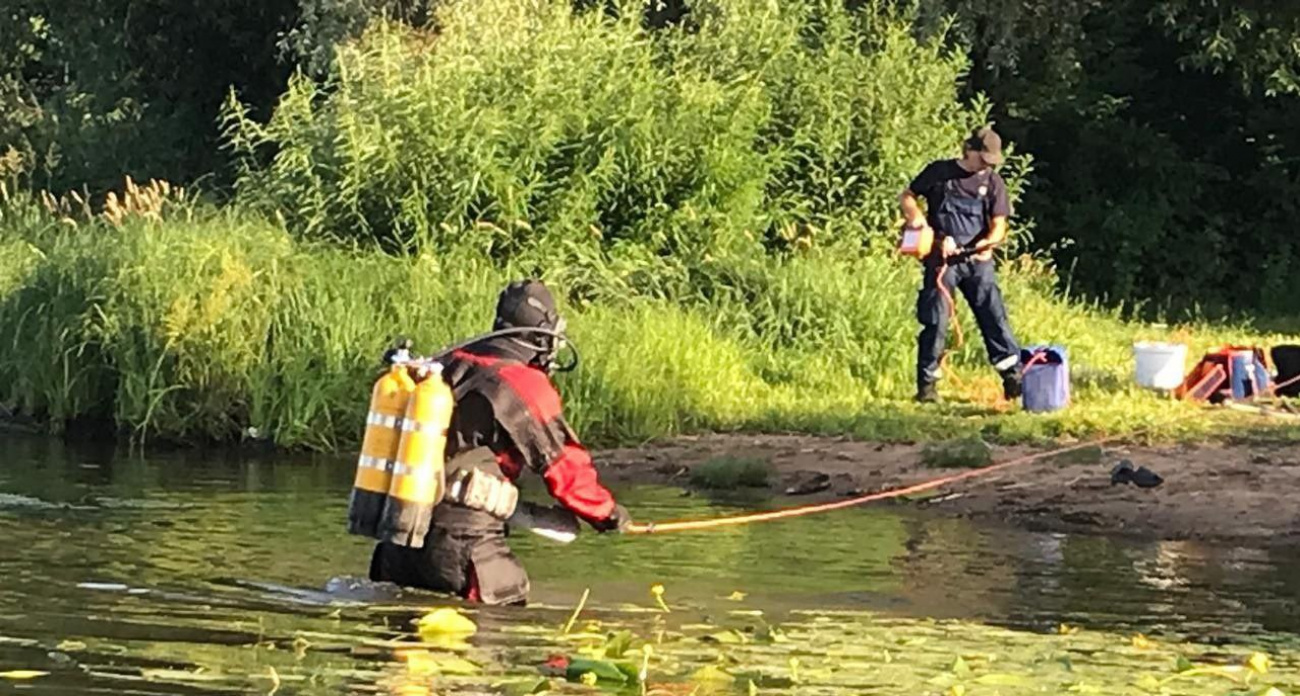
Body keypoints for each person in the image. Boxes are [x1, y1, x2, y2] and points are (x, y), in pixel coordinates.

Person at [368, 280, 631, 606]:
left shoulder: (445, 364)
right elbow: (564, 468)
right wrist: (608, 514)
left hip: (398, 540)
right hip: (463, 551)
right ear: (542, 336)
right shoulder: (522, 384)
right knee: (501, 625)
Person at [899, 125, 1023, 404]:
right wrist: (915, 218)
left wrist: (988, 243)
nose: (986, 165)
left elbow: (1000, 225)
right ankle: (927, 386)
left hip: (978, 262)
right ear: (969, 150)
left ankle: (1014, 378)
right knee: (936, 321)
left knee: (994, 316)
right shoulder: (938, 172)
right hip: (942, 262)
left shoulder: (993, 182)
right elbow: (907, 195)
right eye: (983, 158)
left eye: (991, 161)